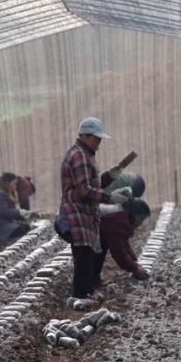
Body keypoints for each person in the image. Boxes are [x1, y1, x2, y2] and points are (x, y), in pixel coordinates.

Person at [59, 117, 133, 310]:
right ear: (84, 135)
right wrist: (110, 198)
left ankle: (86, 292)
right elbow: (84, 190)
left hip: (86, 213)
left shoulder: (86, 154)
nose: (98, 143)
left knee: (88, 253)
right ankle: (79, 295)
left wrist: (109, 176)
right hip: (78, 212)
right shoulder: (80, 155)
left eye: (99, 139)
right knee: (83, 254)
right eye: (96, 139)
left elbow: (90, 184)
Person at [91, 198, 152, 287]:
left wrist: (134, 261)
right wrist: (134, 268)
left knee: (100, 249)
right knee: (94, 253)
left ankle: (94, 281)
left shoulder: (124, 216)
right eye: (141, 220)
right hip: (83, 227)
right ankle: (87, 285)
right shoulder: (119, 220)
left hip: (94, 229)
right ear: (136, 215)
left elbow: (123, 243)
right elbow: (118, 250)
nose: (141, 223)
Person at [0, 173, 32, 249]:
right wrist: (19, 212)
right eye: (14, 184)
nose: (15, 186)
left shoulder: (3, 193)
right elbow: (4, 212)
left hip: (4, 222)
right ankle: (4, 243)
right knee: (21, 229)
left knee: (25, 227)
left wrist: (22, 216)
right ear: (7, 183)